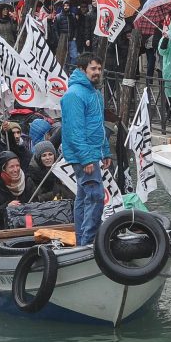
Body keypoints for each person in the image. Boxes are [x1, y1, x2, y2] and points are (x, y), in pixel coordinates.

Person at [60, 54, 109, 246]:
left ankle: (82, 239)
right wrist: (87, 158)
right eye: (93, 69)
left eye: (99, 69)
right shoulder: (74, 95)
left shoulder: (94, 93)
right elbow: (74, 130)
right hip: (83, 155)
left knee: (83, 196)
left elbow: (99, 126)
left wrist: (105, 151)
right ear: (82, 70)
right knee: (95, 196)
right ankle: (89, 241)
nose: (97, 72)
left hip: (92, 152)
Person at [0, 150, 39, 230]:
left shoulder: (28, 182)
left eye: (17, 165)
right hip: (4, 232)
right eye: (11, 166)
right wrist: (6, 207)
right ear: (3, 169)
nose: (16, 169)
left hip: (28, 229)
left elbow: (36, 205)